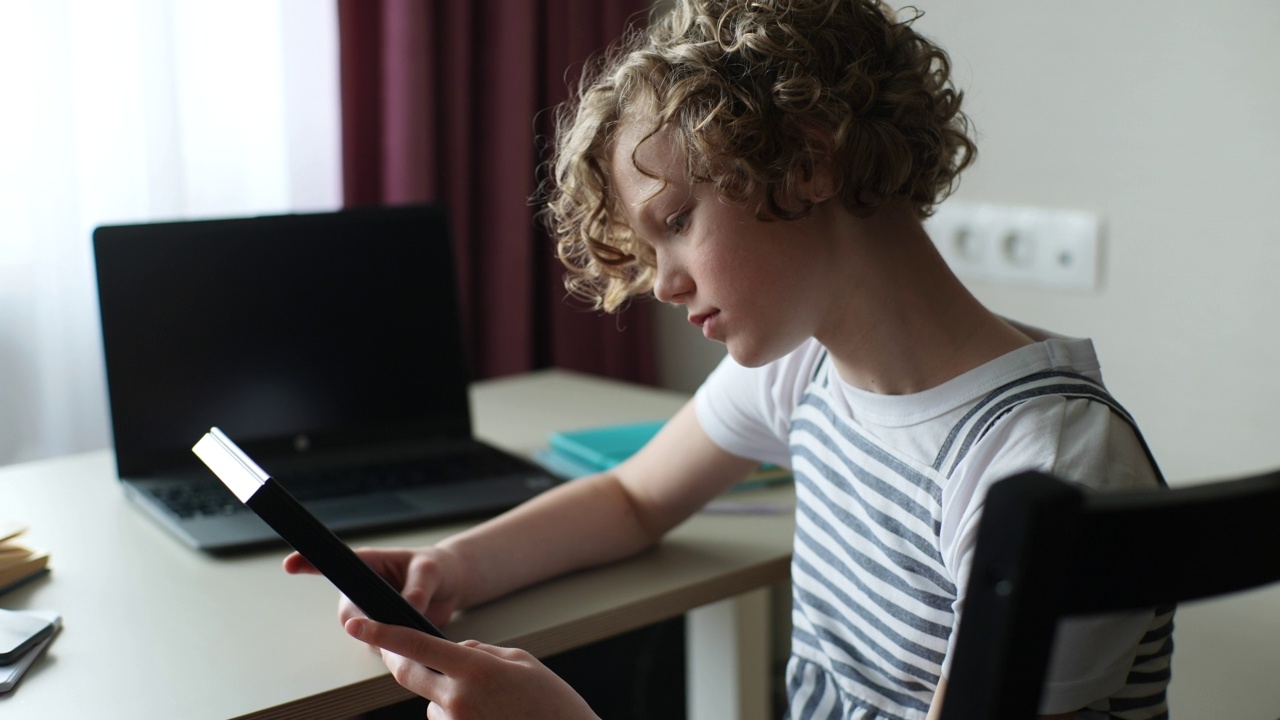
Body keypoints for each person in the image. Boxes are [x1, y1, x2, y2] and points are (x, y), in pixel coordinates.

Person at [286, 0, 1174, 717]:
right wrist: (455, 567)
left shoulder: (1045, 465)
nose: (663, 284)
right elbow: (634, 500)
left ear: (809, 161)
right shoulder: (804, 368)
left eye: (676, 222)